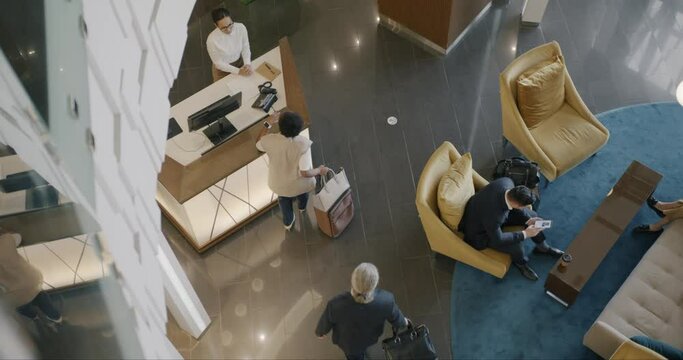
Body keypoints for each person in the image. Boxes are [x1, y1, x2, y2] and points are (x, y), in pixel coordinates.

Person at [458, 177, 564, 281]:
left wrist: (528, 220)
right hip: (479, 233)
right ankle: (521, 263)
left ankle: (543, 248)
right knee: (516, 245)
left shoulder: (507, 182)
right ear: (518, 204)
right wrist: (525, 234)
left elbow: (515, 209)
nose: (524, 207)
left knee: (532, 217)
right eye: (524, 206)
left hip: (490, 213)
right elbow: (498, 239)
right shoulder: (495, 215)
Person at [315, 263, 408, 360]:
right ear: (375, 284)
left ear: (352, 280)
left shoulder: (336, 304)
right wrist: (403, 322)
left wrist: (320, 332)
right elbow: (397, 318)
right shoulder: (386, 300)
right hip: (370, 337)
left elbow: (326, 321)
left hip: (349, 343)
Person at [256, 111, 329, 230]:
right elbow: (305, 172)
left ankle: (288, 223)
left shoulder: (270, 140)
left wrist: (268, 123)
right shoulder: (303, 144)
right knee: (303, 194)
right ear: (299, 129)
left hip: (280, 185)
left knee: (284, 202)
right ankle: (302, 207)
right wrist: (319, 170)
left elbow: (258, 143)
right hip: (300, 185)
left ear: (279, 126)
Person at [0, 228, 62, 325]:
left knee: (21, 307)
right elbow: (18, 237)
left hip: (13, 293)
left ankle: (35, 317)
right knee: (42, 298)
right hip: (31, 282)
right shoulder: (6, 239)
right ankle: (56, 318)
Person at [206, 8, 252, 81]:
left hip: (239, 62)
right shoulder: (211, 40)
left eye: (230, 24)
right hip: (222, 69)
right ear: (216, 25)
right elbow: (218, 63)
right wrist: (238, 71)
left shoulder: (241, 28)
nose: (229, 30)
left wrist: (247, 63)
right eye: (224, 28)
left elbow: (245, 47)